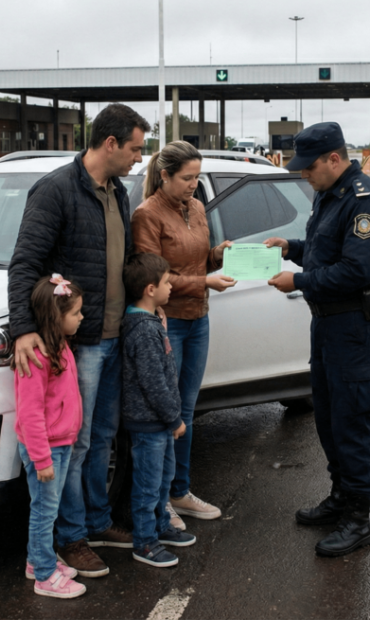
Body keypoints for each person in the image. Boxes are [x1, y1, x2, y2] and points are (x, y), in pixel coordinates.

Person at [9, 103, 151, 577]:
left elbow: (125, 260)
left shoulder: (118, 191)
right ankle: (70, 537)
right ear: (110, 144)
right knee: (77, 442)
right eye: (134, 148)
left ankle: (96, 521)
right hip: (81, 344)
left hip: (113, 338)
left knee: (103, 438)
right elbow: (25, 264)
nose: (138, 158)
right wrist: (23, 328)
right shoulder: (55, 190)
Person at [265, 122, 370, 558]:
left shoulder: (365, 203)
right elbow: (326, 249)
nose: (304, 174)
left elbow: (356, 270)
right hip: (328, 324)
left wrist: (298, 279)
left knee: (352, 420)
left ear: (334, 159)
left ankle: (359, 520)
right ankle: (341, 496)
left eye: (310, 166)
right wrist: (292, 247)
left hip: (356, 325)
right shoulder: (329, 193)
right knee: (328, 416)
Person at [131, 141, 235, 530]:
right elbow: (151, 277)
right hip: (166, 322)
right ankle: (161, 501)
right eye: (187, 178)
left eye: (197, 177)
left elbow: (196, 257)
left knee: (187, 412)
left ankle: (179, 490)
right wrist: (204, 280)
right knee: (166, 414)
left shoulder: (194, 207)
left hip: (199, 318)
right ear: (164, 176)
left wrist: (217, 255)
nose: (195, 185)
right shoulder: (147, 215)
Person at [121, 253, 198, 567]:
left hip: (160, 424)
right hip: (150, 424)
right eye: (167, 282)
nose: (171, 287)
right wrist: (174, 418)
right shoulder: (142, 331)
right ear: (150, 289)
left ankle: (160, 527)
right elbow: (153, 382)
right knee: (148, 485)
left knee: (163, 477)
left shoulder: (150, 322)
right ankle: (145, 542)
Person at [13, 274, 86, 599]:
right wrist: (41, 458)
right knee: (44, 511)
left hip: (61, 444)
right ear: (58, 317)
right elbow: (29, 414)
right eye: (76, 313)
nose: (82, 317)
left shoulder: (61, 348)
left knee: (47, 509)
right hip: (45, 450)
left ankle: (36, 560)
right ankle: (44, 575)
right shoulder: (36, 359)